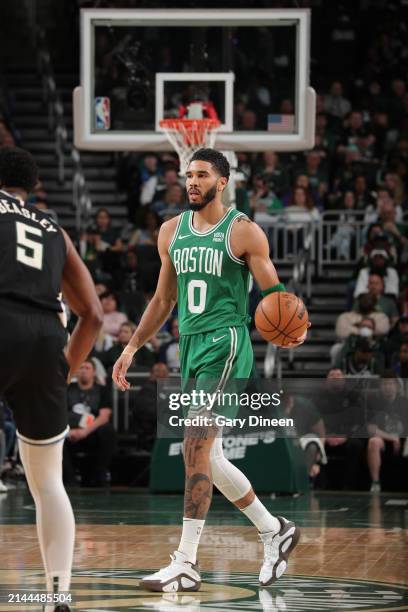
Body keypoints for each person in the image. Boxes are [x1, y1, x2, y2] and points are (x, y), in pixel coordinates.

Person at [113, 148, 308, 592]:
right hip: (192, 347)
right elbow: (163, 301)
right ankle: (273, 529)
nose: (192, 182)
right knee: (205, 455)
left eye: (202, 175)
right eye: (188, 175)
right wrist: (131, 347)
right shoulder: (171, 232)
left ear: (223, 182)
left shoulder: (243, 232)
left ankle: (185, 562)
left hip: (227, 343)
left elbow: (274, 296)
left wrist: (291, 326)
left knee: (197, 445)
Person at [0, 146, 103, 612]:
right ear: (32, 188)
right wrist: (62, 370)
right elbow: (94, 315)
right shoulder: (53, 229)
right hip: (45, 338)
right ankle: (56, 596)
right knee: (48, 483)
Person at [64, 360, 115, 486]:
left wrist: (84, 432)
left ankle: (100, 475)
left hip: (92, 432)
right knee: (54, 434)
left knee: (107, 430)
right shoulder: (67, 389)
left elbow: (104, 416)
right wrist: (68, 431)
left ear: (94, 372)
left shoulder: (102, 390)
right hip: (69, 430)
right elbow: (58, 414)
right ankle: (69, 480)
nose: (84, 371)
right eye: (81, 368)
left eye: (87, 368)